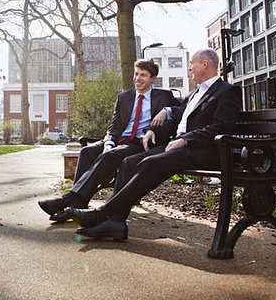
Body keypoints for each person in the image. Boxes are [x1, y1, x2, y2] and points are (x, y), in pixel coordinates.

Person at [65, 49, 242, 240]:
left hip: (204, 151)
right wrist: (153, 130)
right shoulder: (193, 94)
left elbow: (221, 126)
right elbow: (176, 119)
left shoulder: (227, 91)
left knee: (150, 162)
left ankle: (102, 214)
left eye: (192, 63)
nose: (190, 68)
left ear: (205, 65)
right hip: (181, 148)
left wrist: (185, 140)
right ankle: (115, 223)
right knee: (129, 162)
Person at [38, 58, 180, 222]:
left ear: (152, 78)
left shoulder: (164, 96)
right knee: (86, 151)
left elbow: (184, 107)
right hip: (119, 140)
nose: (137, 78)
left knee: (110, 155)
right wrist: (108, 143)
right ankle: (78, 204)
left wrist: (167, 110)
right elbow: (114, 127)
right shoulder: (124, 97)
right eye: (136, 74)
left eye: (143, 75)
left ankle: (69, 201)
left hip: (139, 143)